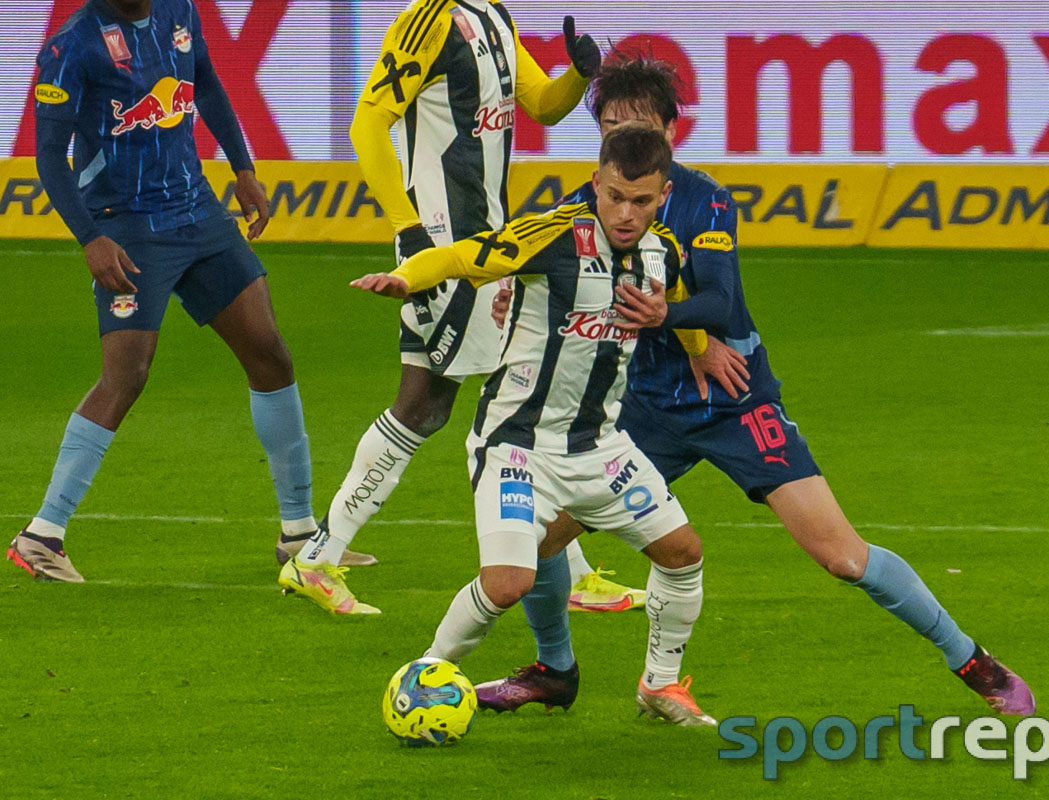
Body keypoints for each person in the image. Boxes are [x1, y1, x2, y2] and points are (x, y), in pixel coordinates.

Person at [478, 54, 1036, 717]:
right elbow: (536, 279)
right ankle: (555, 670)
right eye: (609, 126)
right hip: (638, 413)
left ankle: (971, 660)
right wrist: (513, 296)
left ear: (669, 134)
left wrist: (676, 322)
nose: (625, 140)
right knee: (535, 544)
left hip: (734, 401)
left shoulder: (706, 198)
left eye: (639, 125)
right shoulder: (578, 207)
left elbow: (717, 296)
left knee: (841, 555)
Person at [275, 1, 643, 612]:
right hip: (443, 238)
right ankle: (318, 557)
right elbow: (368, 122)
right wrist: (409, 228)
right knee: (471, 400)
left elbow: (543, 105)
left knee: (462, 399)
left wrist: (578, 75)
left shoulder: (491, 14)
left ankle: (319, 557)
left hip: (487, 237)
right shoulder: (429, 18)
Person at [349, 124, 722, 726]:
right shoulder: (551, 234)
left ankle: (659, 686)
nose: (626, 214)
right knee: (507, 583)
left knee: (683, 553)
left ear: (664, 195)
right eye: (615, 196)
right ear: (596, 182)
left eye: (642, 201)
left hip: (600, 448)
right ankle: (423, 676)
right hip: (517, 444)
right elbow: (463, 256)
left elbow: (670, 298)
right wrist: (406, 278)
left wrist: (698, 346)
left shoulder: (664, 250)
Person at [8, 0, 320, 582]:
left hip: (197, 212)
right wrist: (91, 238)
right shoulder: (72, 45)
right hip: (125, 224)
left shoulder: (179, 10)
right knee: (127, 374)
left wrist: (243, 168)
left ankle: (300, 533)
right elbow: (48, 155)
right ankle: (41, 534)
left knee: (269, 352)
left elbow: (206, 83)